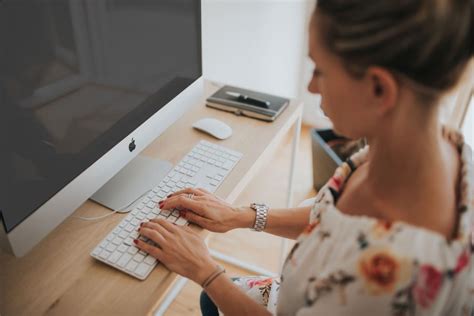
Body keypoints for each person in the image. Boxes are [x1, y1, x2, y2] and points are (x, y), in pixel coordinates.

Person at [134, 0, 474, 314]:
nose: (311, 87)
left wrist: (205, 271)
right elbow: (337, 221)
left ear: (379, 89)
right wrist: (242, 216)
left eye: (320, 69)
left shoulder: (391, 279)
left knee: (212, 295)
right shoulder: (429, 145)